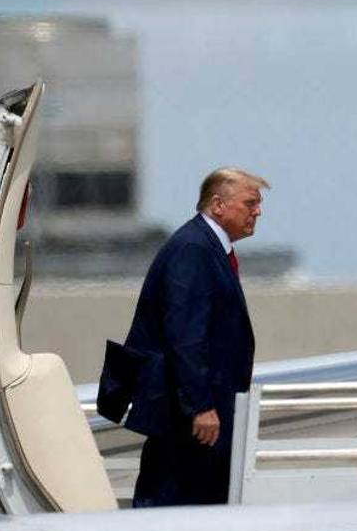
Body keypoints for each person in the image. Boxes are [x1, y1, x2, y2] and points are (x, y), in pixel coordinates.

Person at [98, 167, 268, 507]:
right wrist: (200, 406)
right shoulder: (193, 249)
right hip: (189, 418)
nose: (258, 212)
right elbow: (186, 336)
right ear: (218, 205)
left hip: (199, 411)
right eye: (250, 203)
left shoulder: (207, 248)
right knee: (175, 505)